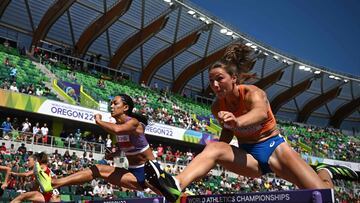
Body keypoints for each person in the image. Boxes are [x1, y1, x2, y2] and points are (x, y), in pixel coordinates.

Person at [144, 43, 359, 202]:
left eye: (220, 79)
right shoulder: (217, 106)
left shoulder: (253, 93)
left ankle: (326, 172)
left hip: (275, 149)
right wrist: (220, 149)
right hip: (249, 156)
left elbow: (260, 114)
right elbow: (226, 136)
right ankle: (176, 184)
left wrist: (237, 120)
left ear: (234, 79)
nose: (215, 84)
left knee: (320, 194)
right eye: (211, 81)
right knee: (215, 147)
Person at [49, 94, 162, 195]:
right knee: (97, 169)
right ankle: (55, 183)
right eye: (111, 103)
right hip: (133, 172)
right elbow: (130, 147)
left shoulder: (134, 123)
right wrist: (115, 154)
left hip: (150, 171)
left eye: (115, 103)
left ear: (125, 107)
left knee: (170, 197)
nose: (111, 106)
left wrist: (99, 121)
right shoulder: (119, 125)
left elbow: (117, 130)